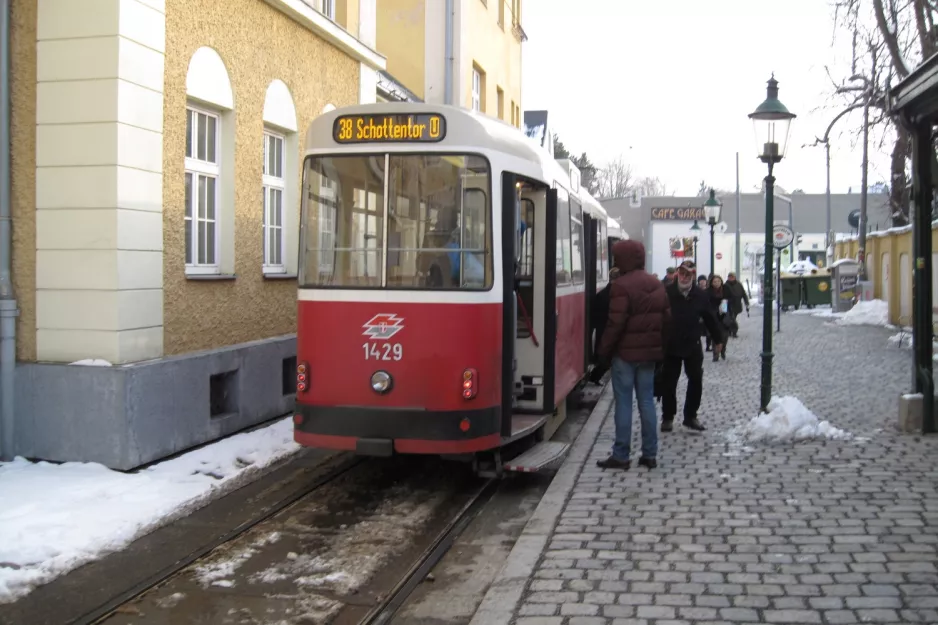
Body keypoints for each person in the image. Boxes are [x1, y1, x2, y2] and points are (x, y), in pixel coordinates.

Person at [595, 240, 671, 470]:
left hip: (625, 356)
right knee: (647, 402)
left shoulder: (621, 285)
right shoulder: (657, 284)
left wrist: (602, 353)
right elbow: (667, 321)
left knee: (624, 403)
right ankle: (650, 454)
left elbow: (615, 323)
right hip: (649, 356)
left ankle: (621, 455)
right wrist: (660, 351)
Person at [660, 260, 724, 432]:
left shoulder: (700, 295)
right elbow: (658, 317)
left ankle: (690, 416)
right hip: (671, 344)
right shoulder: (667, 292)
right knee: (669, 382)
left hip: (692, 343)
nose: (684, 276)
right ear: (677, 274)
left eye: (688, 273)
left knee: (695, 380)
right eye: (681, 273)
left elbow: (711, 318)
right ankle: (667, 417)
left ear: (693, 275)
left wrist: (718, 340)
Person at [587, 266, 621, 384]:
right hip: (611, 329)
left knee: (605, 358)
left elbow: (594, 314)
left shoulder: (601, 294)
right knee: (608, 359)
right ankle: (594, 377)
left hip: (602, 329)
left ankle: (594, 376)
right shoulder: (618, 295)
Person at [707, 274, 730, 361]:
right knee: (714, 335)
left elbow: (731, 300)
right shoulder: (708, 292)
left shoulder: (726, 290)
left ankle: (723, 350)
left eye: (718, 281)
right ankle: (715, 354)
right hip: (714, 316)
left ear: (721, 282)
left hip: (724, 315)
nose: (717, 283)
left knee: (724, 336)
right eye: (715, 282)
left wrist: (725, 304)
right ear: (712, 283)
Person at [724, 272, 750, 337]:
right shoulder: (725, 285)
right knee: (731, 319)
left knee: (733, 318)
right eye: (729, 277)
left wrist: (746, 302)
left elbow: (743, 294)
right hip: (729, 306)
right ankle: (733, 331)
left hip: (737, 305)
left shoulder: (739, 284)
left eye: (732, 277)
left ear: (735, 277)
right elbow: (723, 297)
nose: (730, 278)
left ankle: (730, 331)